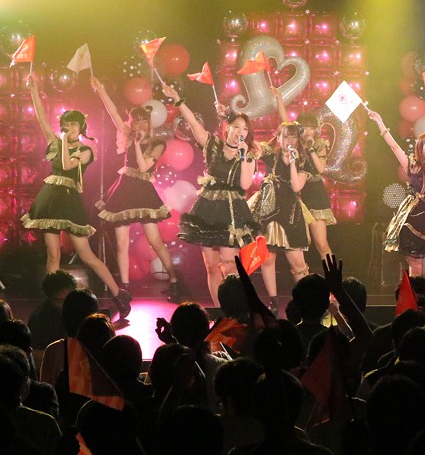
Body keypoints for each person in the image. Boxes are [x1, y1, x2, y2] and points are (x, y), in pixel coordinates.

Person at [20, 73, 130, 319]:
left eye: (73, 124)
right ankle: (52, 301)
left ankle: (119, 294)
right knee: (53, 254)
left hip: (69, 200)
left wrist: (62, 143)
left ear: (81, 128)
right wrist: (34, 90)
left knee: (86, 254)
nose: (68, 128)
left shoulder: (86, 149)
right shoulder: (55, 142)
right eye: (66, 124)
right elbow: (41, 118)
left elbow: (68, 166)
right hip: (50, 198)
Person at [163, 83, 258, 305]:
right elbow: (194, 124)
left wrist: (244, 157)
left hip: (231, 211)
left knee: (230, 264)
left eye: (245, 129)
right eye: (236, 127)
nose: (240, 132)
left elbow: (245, 184)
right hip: (208, 209)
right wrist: (177, 99)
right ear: (228, 127)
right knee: (212, 266)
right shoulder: (213, 145)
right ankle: (218, 310)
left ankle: (235, 308)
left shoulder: (249, 156)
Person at [91, 76, 181, 301]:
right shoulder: (127, 135)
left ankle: (174, 281)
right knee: (121, 244)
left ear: (149, 124)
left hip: (143, 192)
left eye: (143, 122)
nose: (139, 125)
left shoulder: (157, 143)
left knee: (155, 241)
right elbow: (113, 112)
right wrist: (101, 89)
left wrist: (139, 145)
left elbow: (143, 168)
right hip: (124, 190)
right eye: (136, 121)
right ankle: (124, 288)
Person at [368, 109, 425, 276]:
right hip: (415, 216)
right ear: (421, 147)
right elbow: (394, 146)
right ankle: (415, 291)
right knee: (415, 261)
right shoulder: (413, 165)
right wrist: (380, 122)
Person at [247, 121, 311, 304]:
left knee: (298, 262)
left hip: (290, 212)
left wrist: (293, 163)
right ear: (278, 137)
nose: (289, 141)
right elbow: (252, 144)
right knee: (267, 258)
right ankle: (273, 301)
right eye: (285, 136)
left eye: (293, 137)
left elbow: (296, 187)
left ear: (297, 139)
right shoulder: (270, 154)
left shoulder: (303, 161)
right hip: (269, 210)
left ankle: (307, 301)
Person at [272, 88, 336, 260]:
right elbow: (285, 120)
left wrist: (310, 147)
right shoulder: (295, 142)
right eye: (304, 128)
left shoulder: (319, 143)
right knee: (297, 243)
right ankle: (302, 274)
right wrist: (279, 98)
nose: (307, 132)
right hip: (296, 193)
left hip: (314, 193)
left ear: (316, 130)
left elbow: (320, 169)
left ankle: (332, 275)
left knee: (321, 244)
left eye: (311, 129)